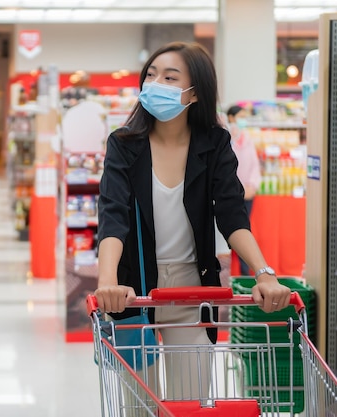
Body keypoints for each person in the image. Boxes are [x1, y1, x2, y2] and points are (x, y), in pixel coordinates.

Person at [94, 42, 290, 401]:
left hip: (192, 287)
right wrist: (107, 283)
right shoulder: (124, 144)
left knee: (192, 401)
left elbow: (232, 215)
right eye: (150, 75)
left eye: (169, 77)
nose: (155, 84)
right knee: (140, 406)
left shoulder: (214, 143)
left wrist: (264, 273)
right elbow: (113, 215)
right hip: (133, 291)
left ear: (194, 93)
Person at [227, 104, 262, 276]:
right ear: (231, 118)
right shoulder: (226, 139)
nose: (243, 120)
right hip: (230, 194)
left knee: (244, 230)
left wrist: (252, 186)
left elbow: (255, 166)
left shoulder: (248, 140)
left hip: (248, 194)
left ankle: (244, 271)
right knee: (230, 230)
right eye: (240, 116)